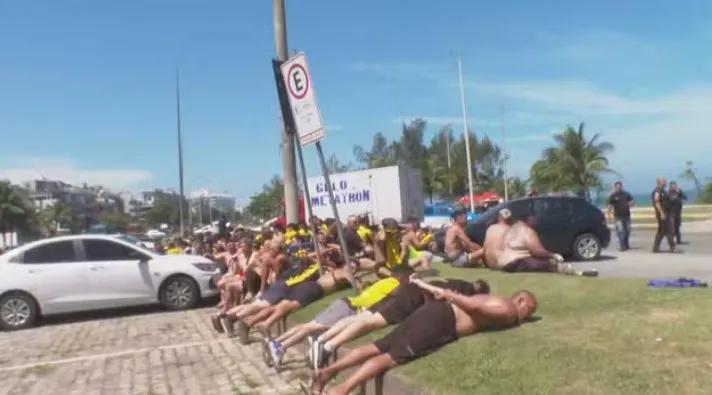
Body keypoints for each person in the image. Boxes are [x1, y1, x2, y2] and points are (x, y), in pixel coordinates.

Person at [308, 287, 537, 395]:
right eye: (529, 308)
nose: (526, 314)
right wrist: (454, 296)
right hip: (442, 321)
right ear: (521, 299)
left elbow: (478, 306)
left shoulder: (494, 297)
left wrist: (451, 298)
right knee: (389, 359)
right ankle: (342, 389)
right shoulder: (507, 308)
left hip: (433, 311)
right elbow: (475, 307)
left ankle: (328, 372)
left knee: (380, 345)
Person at [309, 275, 490, 369]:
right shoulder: (465, 289)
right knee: (372, 322)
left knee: (362, 318)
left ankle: (323, 339)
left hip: (406, 290)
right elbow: (439, 293)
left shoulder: (455, 280)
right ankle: (328, 347)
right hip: (412, 297)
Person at [263, 275, 403, 366]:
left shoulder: (385, 281)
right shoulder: (394, 284)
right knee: (312, 327)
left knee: (310, 326)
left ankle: (277, 342)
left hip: (346, 304)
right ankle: (280, 346)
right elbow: (398, 294)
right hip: (350, 308)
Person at [496, 211, 598, 276]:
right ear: (529, 219)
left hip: (503, 263)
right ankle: (578, 273)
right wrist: (553, 255)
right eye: (534, 218)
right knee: (549, 264)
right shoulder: (527, 230)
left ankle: (574, 271)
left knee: (543, 263)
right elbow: (537, 250)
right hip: (515, 263)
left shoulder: (512, 229)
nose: (536, 221)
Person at [607, 181, 635, 251]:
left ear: (621, 187)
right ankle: (622, 245)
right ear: (615, 187)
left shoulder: (626, 194)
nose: (618, 188)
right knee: (620, 231)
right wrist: (609, 215)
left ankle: (626, 243)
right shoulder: (613, 196)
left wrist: (630, 203)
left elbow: (632, 200)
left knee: (628, 230)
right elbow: (610, 205)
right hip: (618, 216)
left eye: (620, 187)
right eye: (617, 187)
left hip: (627, 215)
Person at [651, 177, 676, 252]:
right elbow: (656, 202)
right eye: (664, 181)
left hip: (667, 213)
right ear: (660, 182)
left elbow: (666, 201)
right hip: (662, 214)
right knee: (667, 230)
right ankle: (672, 246)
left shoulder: (663, 191)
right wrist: (661, 213)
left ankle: (656, 247)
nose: (666, 182)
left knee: (663, 230)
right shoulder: (657, 191)